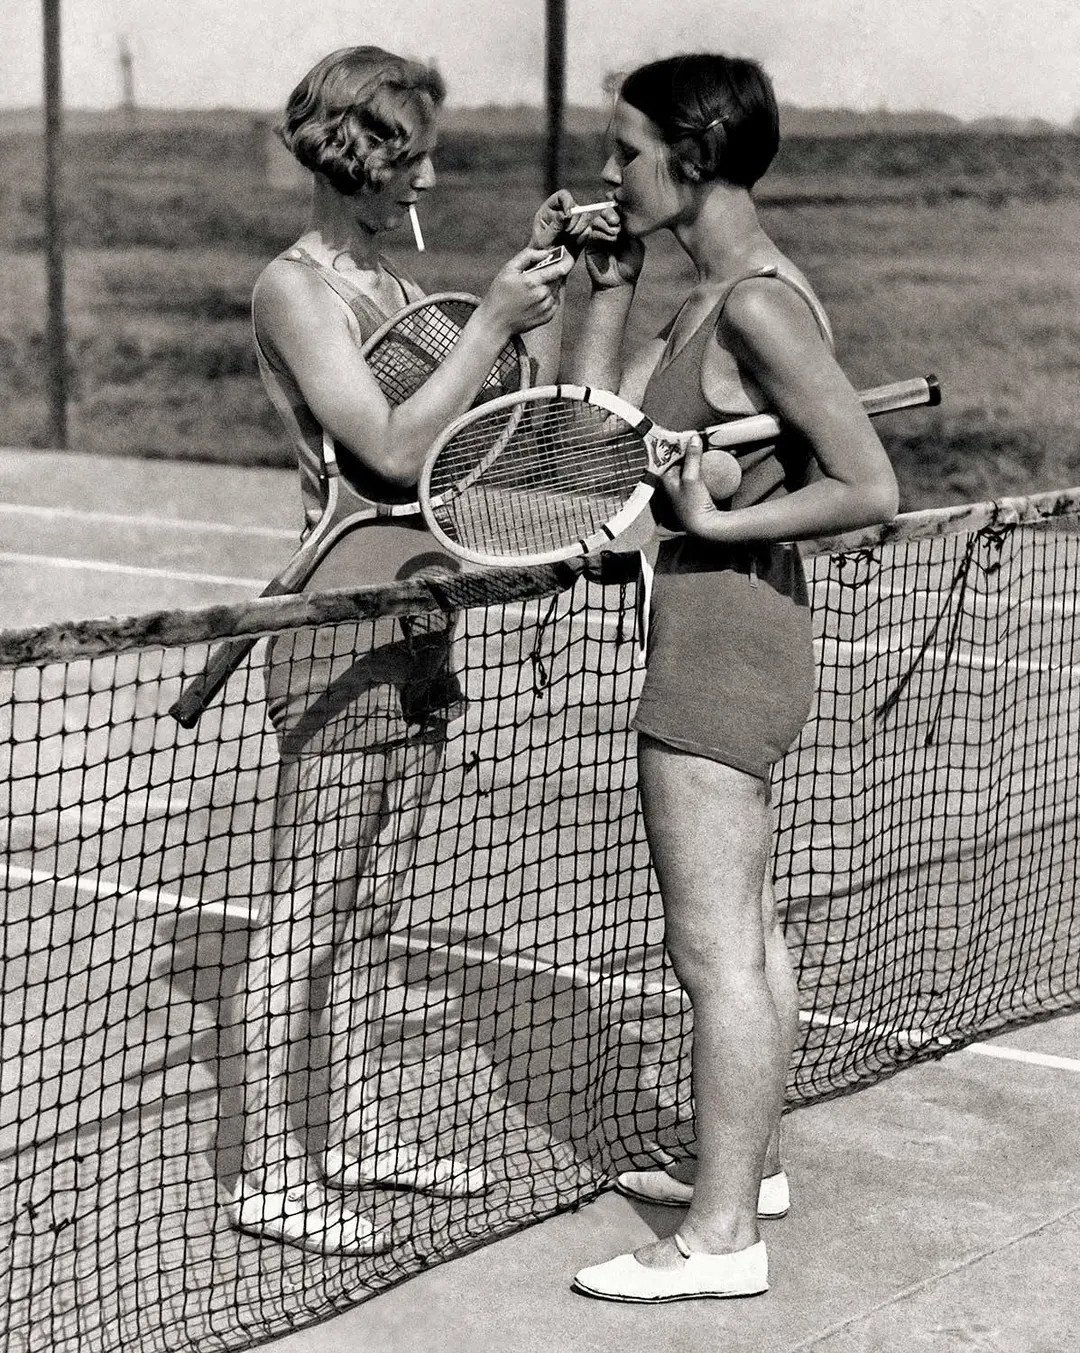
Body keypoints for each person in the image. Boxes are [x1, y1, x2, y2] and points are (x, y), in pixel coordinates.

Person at [554, 54, 900, 1301]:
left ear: (692, 159)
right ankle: (741, 1174)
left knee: (713, 955)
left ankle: (717, 1243)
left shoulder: (758, 304)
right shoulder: (721, 291)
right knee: (744, 936)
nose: (608, 169)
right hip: (732, 620)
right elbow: (585, 434)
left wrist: (709, 519)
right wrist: (611, 283)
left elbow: (868, 491)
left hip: (723, 631)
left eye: (627, 149)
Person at [220, 45, 575, 1258]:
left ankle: (362, 1129)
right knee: (305, 913)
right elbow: (380, 450)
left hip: (423, 612)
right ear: (362, 158)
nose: (430, 172)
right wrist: (488, 320)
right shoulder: (296, 289)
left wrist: (533, 303)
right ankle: (271, 1170)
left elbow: (488, 436)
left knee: (370, 908)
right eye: (413, 153)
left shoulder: (382, 278)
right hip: (338, 627)